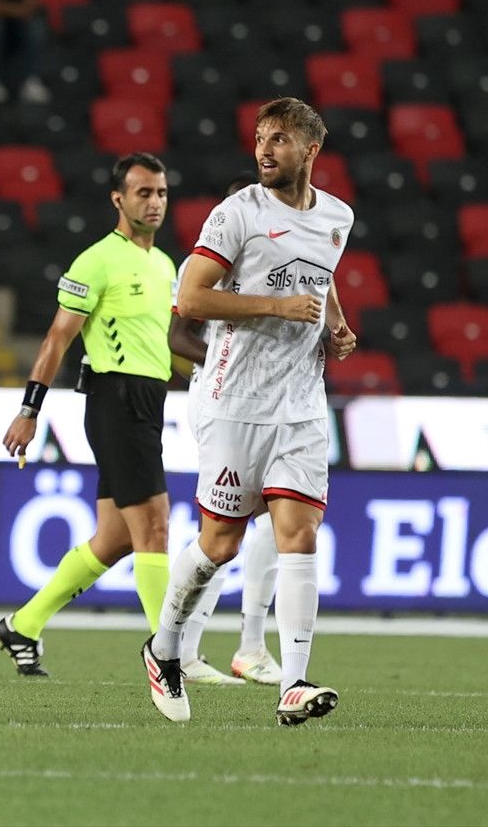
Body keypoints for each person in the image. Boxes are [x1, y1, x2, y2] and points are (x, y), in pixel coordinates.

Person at [142, 97, 357, 725]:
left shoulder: (338, 217)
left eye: (281, 139)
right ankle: (162, 650)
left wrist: (336, 327)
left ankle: (293, 682)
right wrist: (272, 306)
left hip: (301, 405)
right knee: (220, 544)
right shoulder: (236, 214)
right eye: (261, 138)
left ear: (312, 150)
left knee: (299, 536)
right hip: (235, 401)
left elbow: (320, 277)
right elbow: (190, 298)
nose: (265, 148)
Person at [0, 152, 179, 676]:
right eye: (143, 193)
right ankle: (169, 654)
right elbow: (58, 337)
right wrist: (30, 410)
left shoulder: (164, 265)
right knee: (155, 526)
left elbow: (161, 346)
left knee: (116, 537)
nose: (155, 202)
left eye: (161, 192)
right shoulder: (96, 260)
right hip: (114, 400)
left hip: (149, 402)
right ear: (118, 199)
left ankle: (23, 625)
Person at [165, 172, 281, 687]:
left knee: (280, 521)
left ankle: (251, 646)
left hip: (274, 401)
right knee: (223, 533)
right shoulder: (202, 264)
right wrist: (223, 362)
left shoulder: (279, 261)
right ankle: (183, 650)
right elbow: (177, 335)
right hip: (219, 401)